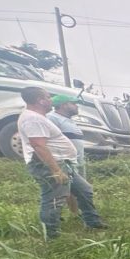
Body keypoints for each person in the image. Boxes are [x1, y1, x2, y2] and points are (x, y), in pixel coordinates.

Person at [17, 86, 106, 238]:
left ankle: (92, 222)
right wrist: (56, 170)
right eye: (48, 97)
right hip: (52, 165)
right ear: (40, 100)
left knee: (85, 190)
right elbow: (38, 145)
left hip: (63, 164)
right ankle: (52, 237)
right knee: (54, 200)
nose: (51, 100)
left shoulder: (38, 117)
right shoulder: (33, 119)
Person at [46, 95, 86, 215]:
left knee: (79, 188)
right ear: (63, 105)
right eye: (73, 103)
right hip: (65, 160)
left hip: (77, 160)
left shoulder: (68, 120)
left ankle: (79, 212)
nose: (76, 106)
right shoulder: (52, 118)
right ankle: (72, 213)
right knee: (69, 188)